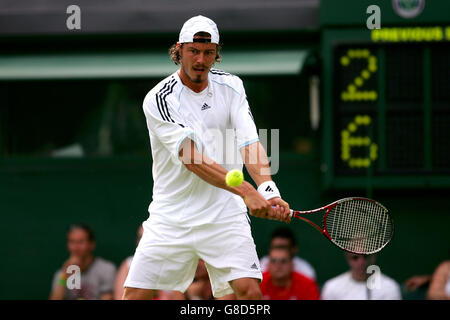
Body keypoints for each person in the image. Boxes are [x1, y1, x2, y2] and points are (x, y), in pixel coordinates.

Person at [122, 15, 291, 300]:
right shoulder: (159, 98)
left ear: (216, 53)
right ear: (179, 50)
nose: (201, 59)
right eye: (193, 51)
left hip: (224, 212)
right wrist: (247, 191)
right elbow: (191, 158)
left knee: (249, 293)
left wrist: (268, 189)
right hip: (172, 215)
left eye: (208, 52)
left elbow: (249, 143)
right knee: (135, 297)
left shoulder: (233, 87)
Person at [114, 225, 184, 300]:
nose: (143, 243)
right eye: (140, 238)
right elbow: (120, 297)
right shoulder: (128, 264)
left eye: (148, 238)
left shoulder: (172, 265)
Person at [49, 223, 117, 300]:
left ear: (91, 244)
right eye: (72, 242)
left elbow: (107, 298)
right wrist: (64, 275)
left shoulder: (106, 269)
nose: (75, 247)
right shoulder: (62, 274)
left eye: (80, 242)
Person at [321, 253, 401, 300]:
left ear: (373, 257)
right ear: (348, 259)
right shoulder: (331, 287)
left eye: (366, 256)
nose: (361, 262)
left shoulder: (390, 287)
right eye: (355, 257)